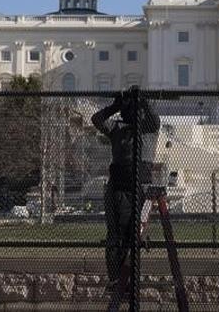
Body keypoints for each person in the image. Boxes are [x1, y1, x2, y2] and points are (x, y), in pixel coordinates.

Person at [91, 87, 160, 293]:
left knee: (134, 235)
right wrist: (115, 106)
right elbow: (97, 120)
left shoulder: (148, 129)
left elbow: (154, 121)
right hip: (119, 186)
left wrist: (143, 101)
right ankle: (116, 279)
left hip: (140, 186)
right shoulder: (117, 129)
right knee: (117, 235)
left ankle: (130, 278)